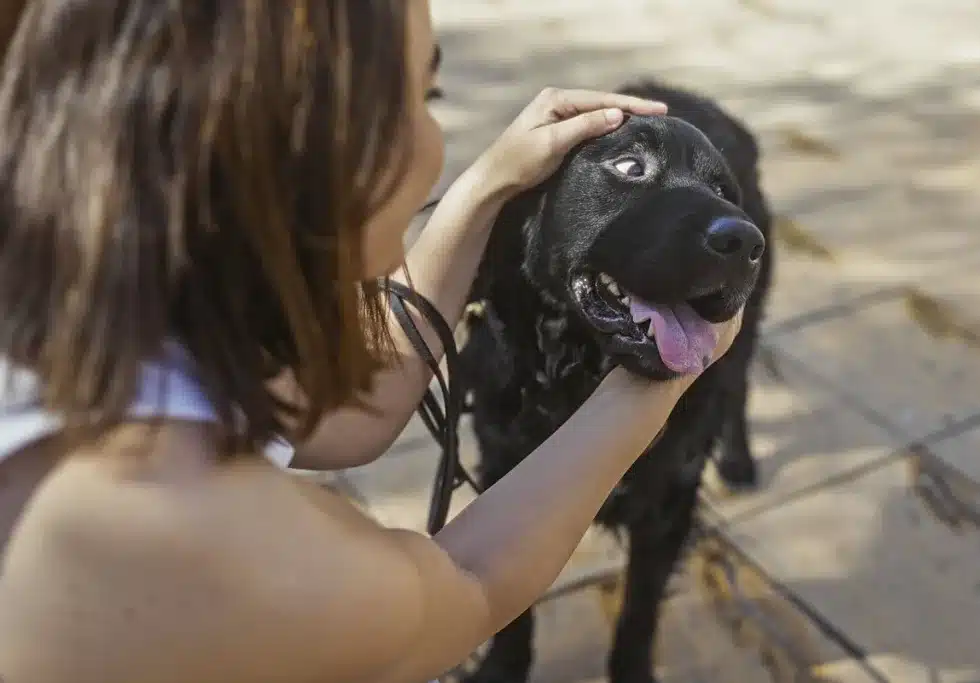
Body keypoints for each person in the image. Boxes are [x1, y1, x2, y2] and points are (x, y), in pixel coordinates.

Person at [0, 2, 743, 682]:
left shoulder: (87, 331)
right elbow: (470, 581)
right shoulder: (173, 536)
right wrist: (673, 373)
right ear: (294, 141)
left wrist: (488, 188)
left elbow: (354, 411)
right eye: (425, 98)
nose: (437, 142)